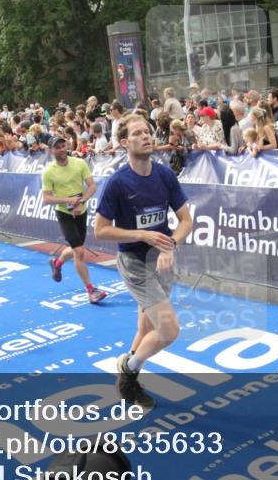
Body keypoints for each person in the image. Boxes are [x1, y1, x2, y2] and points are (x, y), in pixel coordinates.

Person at [94, 115, 193, 408]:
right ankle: (129, 368)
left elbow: (186, 220)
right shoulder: (117, 183)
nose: (145, 137)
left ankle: (128, 382)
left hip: (162, 260)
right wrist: (143, 235)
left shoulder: (165, 175)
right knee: (168, 330)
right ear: (125, 143)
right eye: (137, 133)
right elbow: (100, 230)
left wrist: (169, 244)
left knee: (146, 328)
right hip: (134, 263)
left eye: (147, 132)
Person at [42, 136, 107, 304]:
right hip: (64, 214)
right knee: (79, 251)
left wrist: (81, 201)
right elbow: (47, 199)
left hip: (81, 211)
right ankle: (91, 290)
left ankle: (57, 263)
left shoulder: (79, 163)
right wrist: (68, 201)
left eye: (64, 146)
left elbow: (92, 186)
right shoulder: (49, 171)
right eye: (58, 147)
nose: (62, 149)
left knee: (76, 248)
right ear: (52, 151)